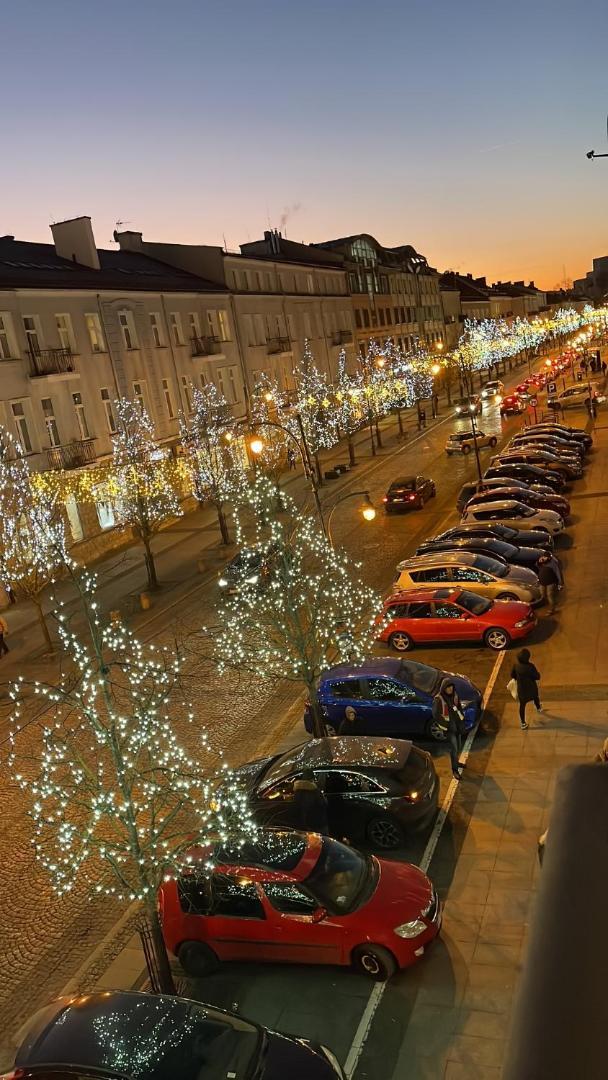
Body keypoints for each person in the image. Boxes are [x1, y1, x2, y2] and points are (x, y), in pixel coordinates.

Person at [432, 678, 466, 780]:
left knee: (458, 747)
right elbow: (436, 715)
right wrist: (445, 726)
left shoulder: (455, 695)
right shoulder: (439, 699)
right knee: (454, 749)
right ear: (444, 688)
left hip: (457, 726)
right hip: (449, 729)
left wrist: (462, 721)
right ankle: (455, 770)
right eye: (448, 687)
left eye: (451, 687)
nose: (450, 689)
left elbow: (459, 707)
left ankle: (457, 762)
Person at [511, 647, 542, 730]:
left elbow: (512, 675)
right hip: (531, 688)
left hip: (522, 689)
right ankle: (538, 707)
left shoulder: (516, 666)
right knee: (535, 697)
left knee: (522, 705)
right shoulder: (530, 666)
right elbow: (537, 677)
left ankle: (523, 723)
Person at [292, 770, 329, 834]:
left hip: (301, 824)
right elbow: (323, 804)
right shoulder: (315, 791)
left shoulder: (297, 791)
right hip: (316, 823)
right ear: (312, 778)